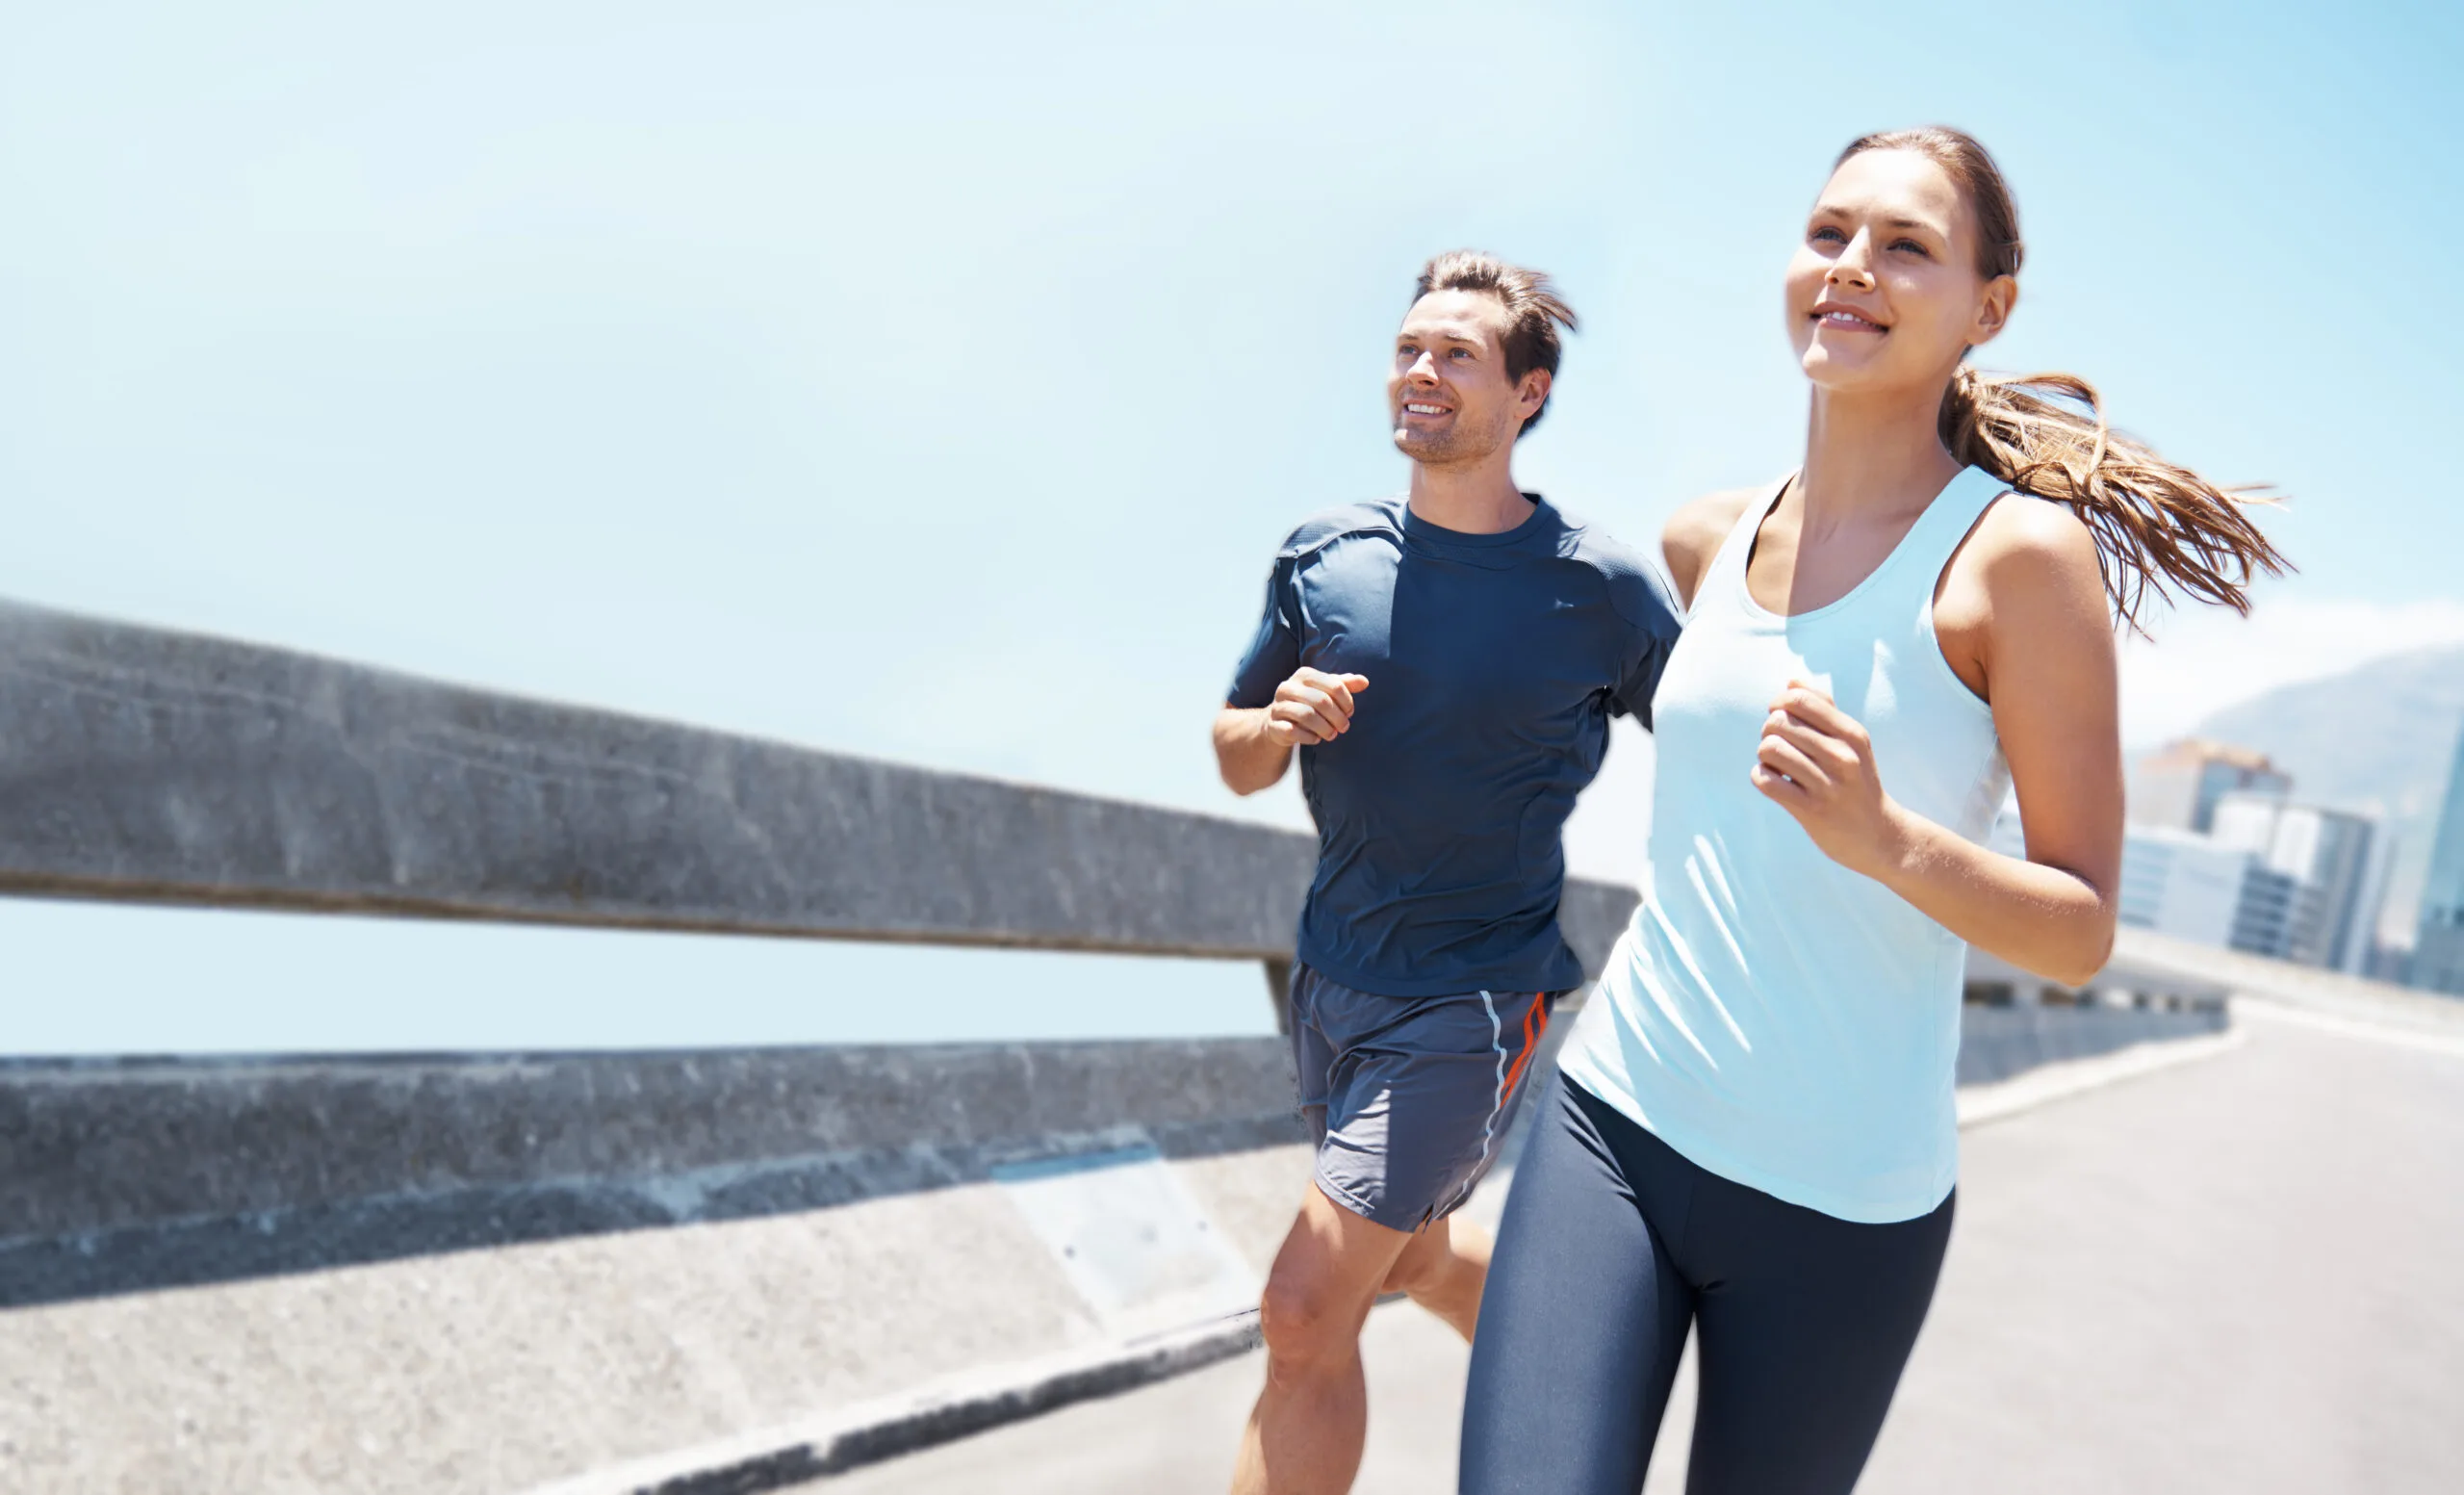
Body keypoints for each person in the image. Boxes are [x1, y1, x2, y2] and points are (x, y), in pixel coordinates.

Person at [1458, 126, 2289, 1494]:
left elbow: (2080, 930)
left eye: (1906, 246)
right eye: (1831, 232)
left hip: (1844, 1210)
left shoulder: (2018, 559)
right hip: (1618, 1121)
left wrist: (1886, 840)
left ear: (1988, 308)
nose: (1852, 268)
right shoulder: (1705, 540)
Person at [1213, 250, 1681, 1495]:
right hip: (1332, 979)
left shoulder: (1600, 586)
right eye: (1410, 348)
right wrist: (1276, 723)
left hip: (1474, 1002)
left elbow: (1713, 743)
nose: (1421, 372)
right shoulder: (1325, 556)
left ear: (1527, 395)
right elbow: (1234, 753)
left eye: (1457, 355)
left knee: (1306, 1308)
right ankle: (1583, 1383)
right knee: (1401, 1263)